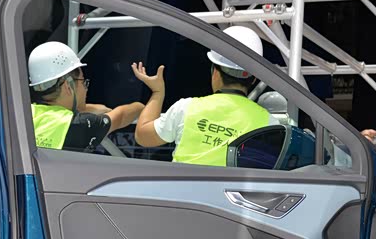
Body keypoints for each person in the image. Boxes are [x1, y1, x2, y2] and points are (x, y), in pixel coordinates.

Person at [131, 25, 272, 166]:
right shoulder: (269, 124)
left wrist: (157, 92)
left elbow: (143, 136)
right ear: (253, 79)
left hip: (182, 181)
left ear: (214, 72)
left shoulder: (186, 108)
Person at [28, 41, 145, 150]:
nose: (85, 89)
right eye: (83, 81)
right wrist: (142, 107)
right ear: (68, 86)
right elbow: (121, 116)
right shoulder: (80, 126)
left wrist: (92, 108)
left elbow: (55, 112)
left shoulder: (26, 113)